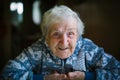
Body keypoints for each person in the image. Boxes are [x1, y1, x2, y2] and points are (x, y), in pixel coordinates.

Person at [1, 5, 120, 80]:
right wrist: (44, 78)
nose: (64, 41)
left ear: (78, 35)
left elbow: (116, 71)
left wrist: (87, 77)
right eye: (56, 34)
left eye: (70, 33)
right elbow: (8, 74)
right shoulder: (37, 49)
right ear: (46, 37)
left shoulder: (88, 49)